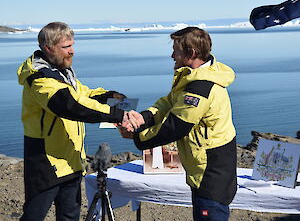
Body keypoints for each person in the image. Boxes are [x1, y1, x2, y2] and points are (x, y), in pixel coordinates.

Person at [120, 27, 237, 221]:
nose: (172, 55)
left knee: (210, 212)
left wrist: (137, 135)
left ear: (191, 53)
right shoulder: (195, 76)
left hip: (210, 171)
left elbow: (176, 126)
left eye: (176, 50)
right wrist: (144, 117)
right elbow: (169, 102)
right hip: (209, 165)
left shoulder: (200, 87)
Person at [17, 22, 129, 221]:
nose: (72, 51)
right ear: (48, 48)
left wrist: (108, 96)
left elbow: (81, 95)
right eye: (66, 47)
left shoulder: (61, 72)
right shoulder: (39, 79)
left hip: (71, 160)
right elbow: (70, 106)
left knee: (70, 216)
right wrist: (117, 115)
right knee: (34, 215)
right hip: (46, 162)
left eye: (72, 45)